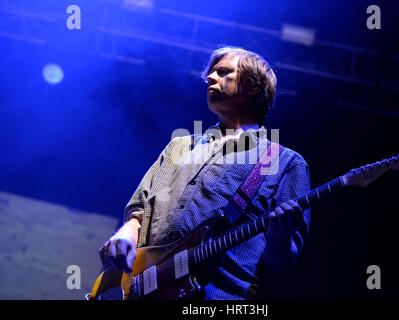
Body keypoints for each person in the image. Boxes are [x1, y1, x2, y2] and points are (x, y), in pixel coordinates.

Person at [99, 46, 311, 299]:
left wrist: (280, 237)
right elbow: (140, 212)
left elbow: (281, 262)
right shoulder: (180, 145)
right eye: (210, 73)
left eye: (223, 72)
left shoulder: (285, 162)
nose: (210, 78)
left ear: (254, 86)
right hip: (139, 287)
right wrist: (124, 236)